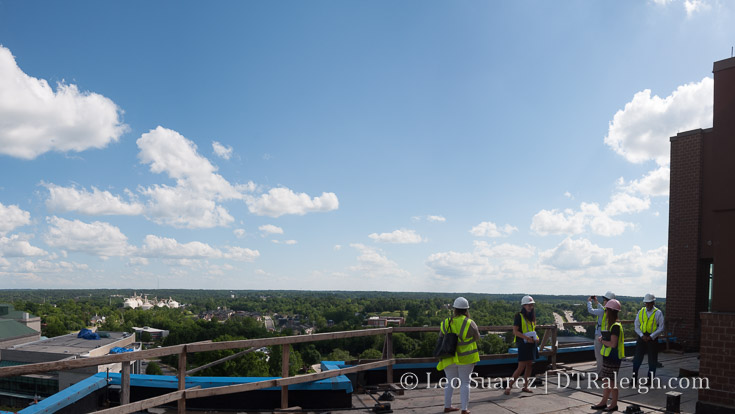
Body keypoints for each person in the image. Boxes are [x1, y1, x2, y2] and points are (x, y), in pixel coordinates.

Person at [436, 297, 480, 414]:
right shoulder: (469, 323)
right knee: (465, 383)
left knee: (450, 382)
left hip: (448, 357)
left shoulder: (446, 322)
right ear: (466, 310)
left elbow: (441, 337)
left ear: (454, 309)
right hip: (466, 358)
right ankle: (464, 409)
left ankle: (447, 406)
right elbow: (477, 337)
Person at [591, 299, 624, 412]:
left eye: (607, 310)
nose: (605, 312)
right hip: (608, 357)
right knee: (606, 381)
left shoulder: (615, 326)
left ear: (610, 311)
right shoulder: (612, 325)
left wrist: (602, 341)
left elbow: (613, 344)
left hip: (613, 358)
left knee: (611, 383)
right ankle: (604, 402)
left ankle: (613, 404)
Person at [505, 295, 538, 395]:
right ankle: (509, 386)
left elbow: (532, 330)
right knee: (521, 366)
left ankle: (525, 386)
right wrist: (526, 338)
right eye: (528, 305)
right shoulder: (519, 316)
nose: (530, 307)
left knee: (529, 365)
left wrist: (536, 338)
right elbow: (515, 331)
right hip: (523, 343)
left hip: (531, 343)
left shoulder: (531, 318)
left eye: (531, 305)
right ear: (523, 305)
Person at [632, 293, 664, 385]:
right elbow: (636, 326)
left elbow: (661, 327)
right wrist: (642, 335)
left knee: (652, 360)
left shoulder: (658, 313)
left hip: (652, 338)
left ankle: (650, 380)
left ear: (653, 302)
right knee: (637, 359)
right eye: (646, 303)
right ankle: (634, 379)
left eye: (649, 303)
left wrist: (651, 336)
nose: (648, 305)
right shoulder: (641, 312)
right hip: (642, 337)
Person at [587, 291, 616, 377]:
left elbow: (590, 310)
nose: (603, 301)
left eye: (604, 300)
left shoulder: (602, 311)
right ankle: (606, 372)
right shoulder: (612, 311)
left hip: (599, 336)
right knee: (606, 355)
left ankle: (600, 375)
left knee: (599, 356)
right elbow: (602, 308)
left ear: (608, 301)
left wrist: (589, 302)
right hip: (608, 335)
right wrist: (596, 302)